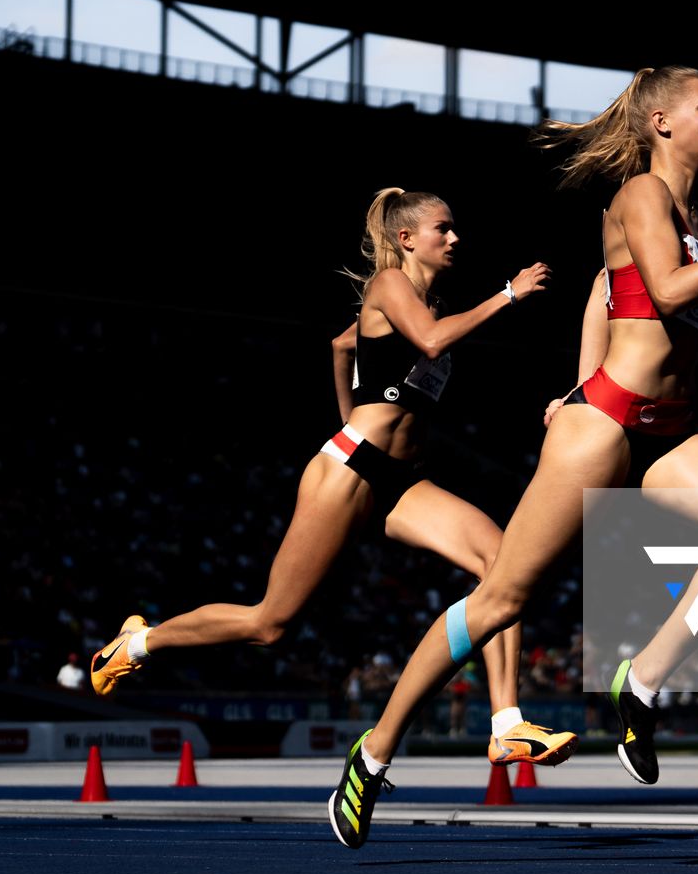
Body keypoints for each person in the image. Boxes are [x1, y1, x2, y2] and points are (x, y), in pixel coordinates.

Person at [327, 65, 698, 847]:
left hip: (669, 429)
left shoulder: (695, 209)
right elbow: (666, 290)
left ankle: (642, 680)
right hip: (608, 428)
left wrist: (575, 376)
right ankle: (374, 753)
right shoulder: (641, 196)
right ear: (661, 122)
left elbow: (605, 286)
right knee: (501, 600)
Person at [89, 188, 571, 766]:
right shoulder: (391, 286)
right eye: (443, 228)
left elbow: (342, 346)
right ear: (406, 239)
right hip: (348, 471)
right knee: (271, 624)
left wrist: (351, 410)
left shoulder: (423, 300)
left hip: (399, 480)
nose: (454, 238)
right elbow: (433, 340)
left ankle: (507, 725)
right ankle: (135, 644)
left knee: (501, 562)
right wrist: (508, 294)